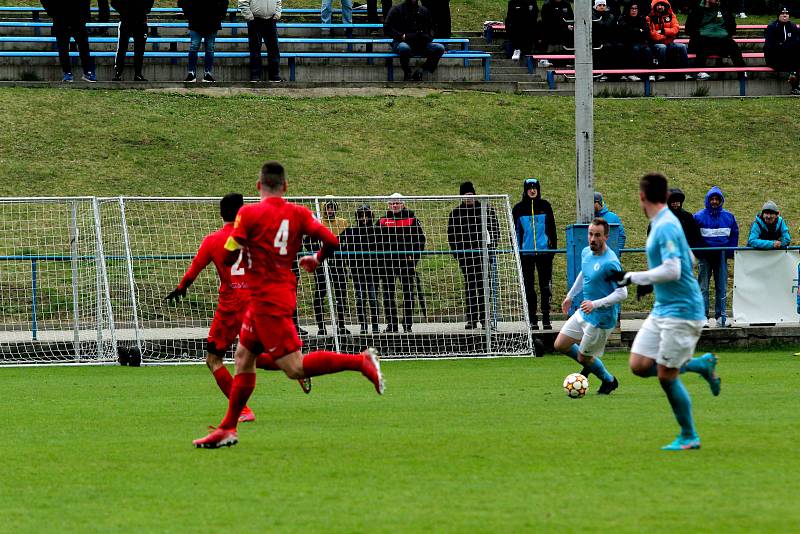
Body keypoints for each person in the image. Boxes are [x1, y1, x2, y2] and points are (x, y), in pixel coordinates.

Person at [192, 162, 384, 449]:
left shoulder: (249, 213)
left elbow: (231, 252)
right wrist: (316, 259)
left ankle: (360, 361)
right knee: (243, 358)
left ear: (259, 186)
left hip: (268, 301)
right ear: (286, 187)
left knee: (294, 368)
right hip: (270, 297)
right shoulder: (299, 213)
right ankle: (228, 428)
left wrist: (236, 255)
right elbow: (332, 239)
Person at [165, 194, 311, 425]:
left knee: (213, 360)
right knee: (254, 357)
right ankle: (299, 369)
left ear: (222, 213)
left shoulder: (213, 240)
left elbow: (195, 268)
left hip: (231, 307)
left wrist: (182, 287)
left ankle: (243, 410)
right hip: (257, 304)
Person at [612, 172, 721, 451]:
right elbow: (689, 259)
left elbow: (673, 269)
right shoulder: (661, 223)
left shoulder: (666, 226)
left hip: (683, 311)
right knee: (638, 365)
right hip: (664, 309)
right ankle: (700, 365)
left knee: (665, 374)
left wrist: (639, 277)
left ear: (641, 196)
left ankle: (689, 435)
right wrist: (653, 280)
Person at [555, 218, 625, 393]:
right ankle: (588, 361)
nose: (592, 239)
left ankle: (609, 380)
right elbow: (583, 273)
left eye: (597, 235)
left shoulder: (611, 262)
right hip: (585, 312)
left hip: (601, 318)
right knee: (560, 345)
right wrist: (570, 296)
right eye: (590, 234)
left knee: (583, 356)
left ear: (606, 237)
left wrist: (595, 304)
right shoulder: (586, 252)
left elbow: (622, 293)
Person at [447, 182, 501, 330]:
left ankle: (485, 319)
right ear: (461, 196)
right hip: (466, 257)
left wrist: (490, 249)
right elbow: (451, 236)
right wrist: (458, 253)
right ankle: (471, 318)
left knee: (484, 287)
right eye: (466, 195)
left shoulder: (486, 209)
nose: (469, 198)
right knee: (470, 287)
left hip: (483, 255)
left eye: (471, 195)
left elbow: (495, 230)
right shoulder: (456, 213)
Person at [512, 178, 557, 331]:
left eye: (535, 188)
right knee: (529, 287)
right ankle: (532, 319)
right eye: (530, 188)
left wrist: (552, 249)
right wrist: (518, 251)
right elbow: (515, 232)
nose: (532, 190)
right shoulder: (518, 209)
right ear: (525, 190)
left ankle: (546, 318)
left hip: (544, 253)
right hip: (526, 255)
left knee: (545, 286)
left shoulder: (546, 206)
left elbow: (552, 229)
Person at [378, 193, 426, 333]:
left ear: (403, 204)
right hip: (387, 265)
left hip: (406, 264)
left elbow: (420, 241)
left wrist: (413, 259)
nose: (394, 205)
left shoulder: (412, 220)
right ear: (388, 205)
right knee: (388, 295)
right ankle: (391, 324)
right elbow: (374, 241)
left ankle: (407, 324)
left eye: (397, 203)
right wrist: (380, 261)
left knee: (408, 294)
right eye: (392, 203)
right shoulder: (382, 221)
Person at [694, 185, 738, 327]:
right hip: (705, 258)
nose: (714, 201)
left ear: (720, 200)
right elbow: (694, 237)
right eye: (712, 199)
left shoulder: (729, 217)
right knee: (703, 287)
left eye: (716, 199)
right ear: (708, 200)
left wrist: (730, 252)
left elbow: (734, 235)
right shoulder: (698, 217)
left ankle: (721, 317)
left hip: (721, 257)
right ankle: (702, 317)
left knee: (721, 287)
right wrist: (699, 252)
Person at [340, 204, 380, 335]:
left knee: (373, 300)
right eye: (361, 216)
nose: (364, 219)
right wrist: (351, 266)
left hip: (373, 272)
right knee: (360, 299)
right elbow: (346, 249)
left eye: (366, 216)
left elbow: (380, 249)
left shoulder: (376, 231)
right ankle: (363, 325)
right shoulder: (352, 231)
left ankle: (375, 326)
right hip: (358, 271)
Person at [311, 199, 349, 335]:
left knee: (340, 295)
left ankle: (341, 325)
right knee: (320, 294)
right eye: (328, 208)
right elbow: (309, 242)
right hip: (322, 265)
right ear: (323, 208)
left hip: (338, 265)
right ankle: (322, 327)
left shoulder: (342, 223)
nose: (330, 210)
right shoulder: (317, 223)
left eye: (333, 207)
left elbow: (346, 243)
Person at [383, 0, 446, 81]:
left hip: (421, 43)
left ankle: (422, 71)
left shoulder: (424, 11)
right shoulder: (396, 9)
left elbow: (431, 29)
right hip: (401, 41)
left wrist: (427, 36)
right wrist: (401, 35)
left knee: (439, 48)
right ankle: (407, 72)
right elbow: (387, 28)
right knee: (404, 47)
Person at [685, 0, 746, 80]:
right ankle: (700, 71)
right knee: (702, 42)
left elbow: (732, 26)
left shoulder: (724, 10)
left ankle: (742, 71)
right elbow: (688, 29)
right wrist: (698, 34)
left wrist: (727, 34)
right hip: (703, 41)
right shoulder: (697, 11)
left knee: (733, 45)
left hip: (721, 41)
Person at [40, 0, 97, 83]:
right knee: (63, 48)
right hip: (61, 20)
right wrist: (53, 12)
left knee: (84, 47)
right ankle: (68, 73)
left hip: (78, 19)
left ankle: (87, 72)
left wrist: (85, 14)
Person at [178, 0, 229, 82]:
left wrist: (220, 16)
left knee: (209, 47)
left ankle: (208, 73)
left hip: (212, 21)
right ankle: (191, 73)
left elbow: (224, 2)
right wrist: (189, 14)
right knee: (194, 46)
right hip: (195, 21)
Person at [239, 0, 282, 82]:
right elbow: (243, 2)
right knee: (255, 48)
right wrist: (250, 18)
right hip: (255, 20)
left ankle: (274, 75)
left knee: (274, 48)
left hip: (271, 20)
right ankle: (255, 75)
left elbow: (278, 2)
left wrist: (277, 15)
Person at [111, 0, 154, 81]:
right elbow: (114, 3)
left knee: (139, 50)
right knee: (122, 48)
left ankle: (137, 73)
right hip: (128, 20)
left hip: (138, 21)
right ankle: (118, 73)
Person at [647, 0, 689, 80]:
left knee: (682, 46)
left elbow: (676, 29)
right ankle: (660, 73)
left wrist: (663, 31)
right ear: (654, 6)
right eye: (657, 5)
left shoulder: (671, 15)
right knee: (662, 47)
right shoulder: (649, 17)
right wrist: (667, 36)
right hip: (655, 44)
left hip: (669, 43)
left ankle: (685, 72)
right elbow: (652, 34)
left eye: (662, 5)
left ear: (666, 5)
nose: (659, 7)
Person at [764, 6, 800, 95]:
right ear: (778, 16)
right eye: (782, 14)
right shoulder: (772, 27)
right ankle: (795, 85)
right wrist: (785, 46)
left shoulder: (793, 26)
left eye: (786, 14)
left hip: (789, 58)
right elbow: (770, 46)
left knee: (796, 59)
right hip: (774, 58)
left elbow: (797, 42)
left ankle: (795, 85)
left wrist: (785, 45)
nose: (784, 16)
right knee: (795, 63)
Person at [617, 1, 654, 78]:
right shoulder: (623, 18)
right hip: (628, 42)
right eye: (632, 8)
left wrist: (635, 31)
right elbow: (626, 32)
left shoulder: (641, 18)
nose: (634, 10)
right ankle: (634, 73)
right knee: (635, 48)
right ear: (628, 9)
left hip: (641, 41)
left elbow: (646, 31)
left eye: (635, 8)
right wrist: (638, 30)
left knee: (647, 49)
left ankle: (649, 73)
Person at [592, 0, 620, 79]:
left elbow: (613, 28)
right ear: (596, 6)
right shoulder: (593, 15)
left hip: (608, 39)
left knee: (619, 47)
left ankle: (616, 74)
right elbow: (603, 26)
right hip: (597, 39)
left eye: (603, 5)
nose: (602, 7)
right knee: (606, 48)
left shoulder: (610, 15)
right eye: (600, 5)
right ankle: (602, 73)